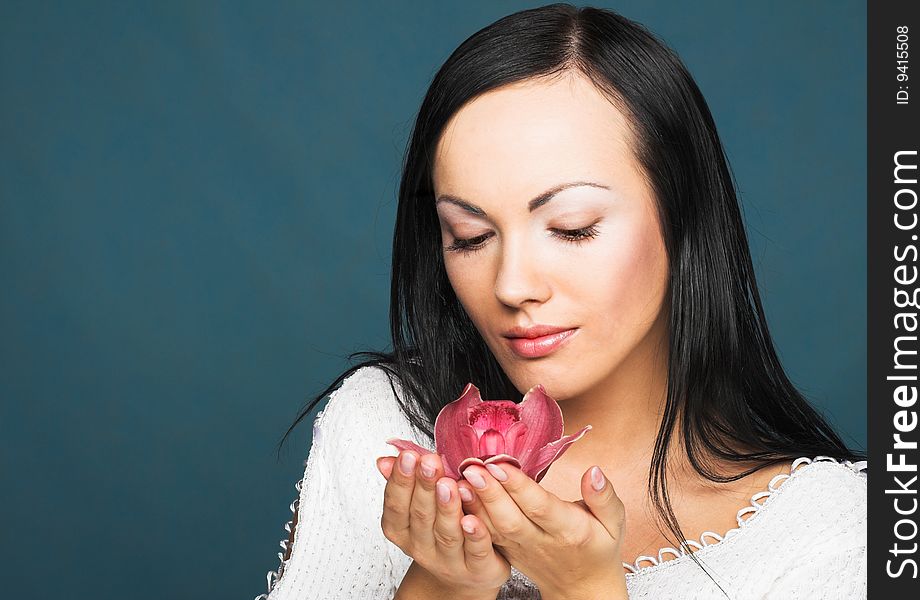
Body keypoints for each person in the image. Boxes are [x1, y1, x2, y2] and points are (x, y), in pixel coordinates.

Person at [255, 4, 867, 599]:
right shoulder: (386, 433)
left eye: (572, 227)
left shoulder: (829, 532)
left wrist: (587, 591)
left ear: (684, 220)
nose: (512, 285)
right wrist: (444, 585)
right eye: (469, 237)